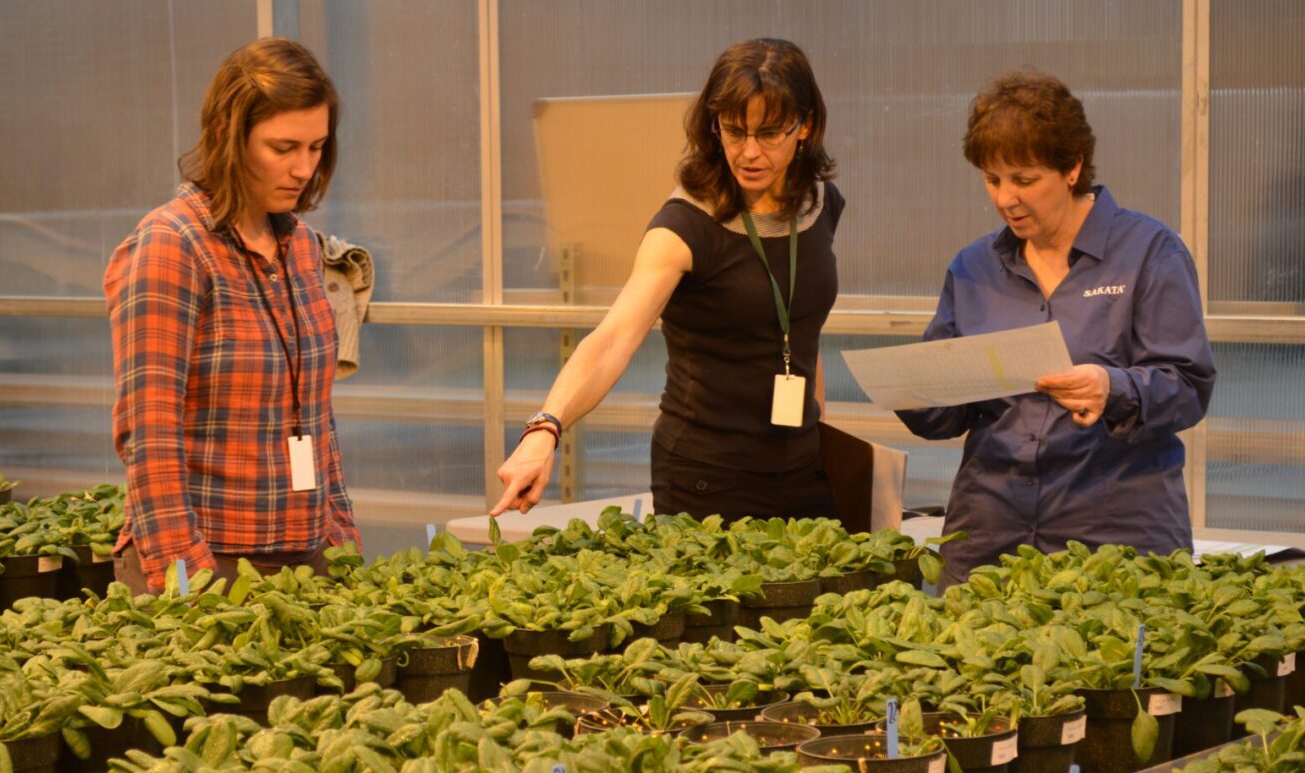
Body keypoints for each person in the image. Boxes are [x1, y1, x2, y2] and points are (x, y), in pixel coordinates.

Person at [493, 38, 843, 522]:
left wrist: (818, 425)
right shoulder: (684, 226)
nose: (749, 152)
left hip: (802, 468)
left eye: (769, 133)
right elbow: (614, 339)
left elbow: (803, 322)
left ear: (805, 125)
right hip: (707, 477)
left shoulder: (820, 204)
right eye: (734, 131)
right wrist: (545, 428)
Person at [897, 70, 1216, 584]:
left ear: (1072, 168)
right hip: (989, 537)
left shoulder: (1149, 252)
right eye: (992, 179)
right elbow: (944, 418)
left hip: (1115, 536)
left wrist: (1113, 387)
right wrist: (913, 389)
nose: (1005, 198)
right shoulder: (973, 267)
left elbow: (1188, 387)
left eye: (1024, 180)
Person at [107, 38, 359, 595]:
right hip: (208, 562)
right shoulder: (174, 245)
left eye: (316, 147)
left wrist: (340, 534)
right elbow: (148, 430)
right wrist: (186, 571)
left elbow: (314, 414)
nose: (303, 168)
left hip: (304, 560)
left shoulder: (299, 247)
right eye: (283, 147)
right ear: (226, 133)